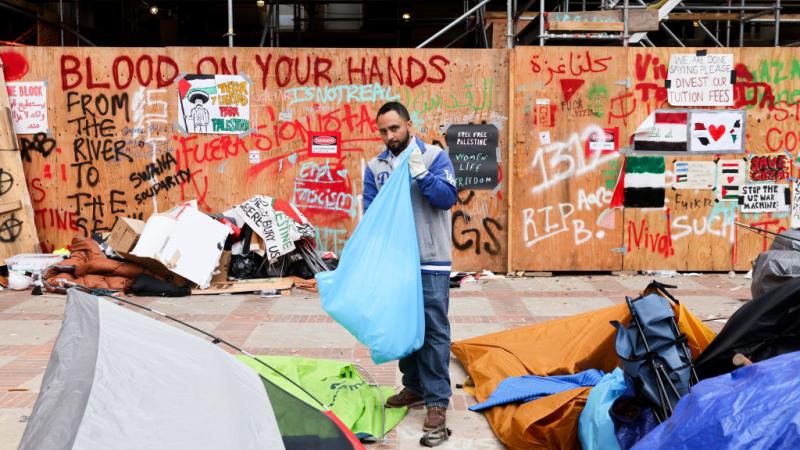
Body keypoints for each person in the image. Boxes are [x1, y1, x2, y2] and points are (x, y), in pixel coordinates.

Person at [363, 102, 458, 432]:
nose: (389, 136)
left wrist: (421, 174)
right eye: (383, 131)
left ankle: (436, 400)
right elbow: (371, 217)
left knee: (433, 332)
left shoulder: (433, 157)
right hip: (396, 263)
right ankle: (415, 386)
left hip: (431, 260)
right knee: (404, 329)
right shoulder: (376, 167)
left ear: (409, 125)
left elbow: (447, 198)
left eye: (395, 128)